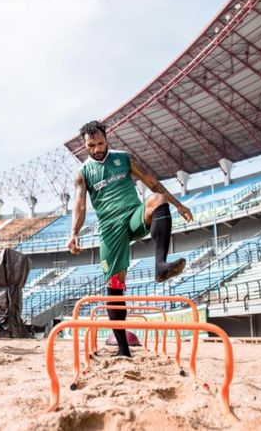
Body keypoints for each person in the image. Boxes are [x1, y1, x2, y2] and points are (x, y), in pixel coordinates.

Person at [67, 120, 193, 357]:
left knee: (157, 199)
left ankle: (160, 266)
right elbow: (80, 205)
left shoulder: (124, 158)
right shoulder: (83, 173)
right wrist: (74, 233)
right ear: (85, 145)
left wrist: (179, 205)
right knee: (115, 285)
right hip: (110, 230)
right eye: (91, 145)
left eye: (100, 143)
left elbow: (152, 183)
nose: (97, 149)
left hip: (133, 216)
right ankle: (123, 350)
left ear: (107, 138)